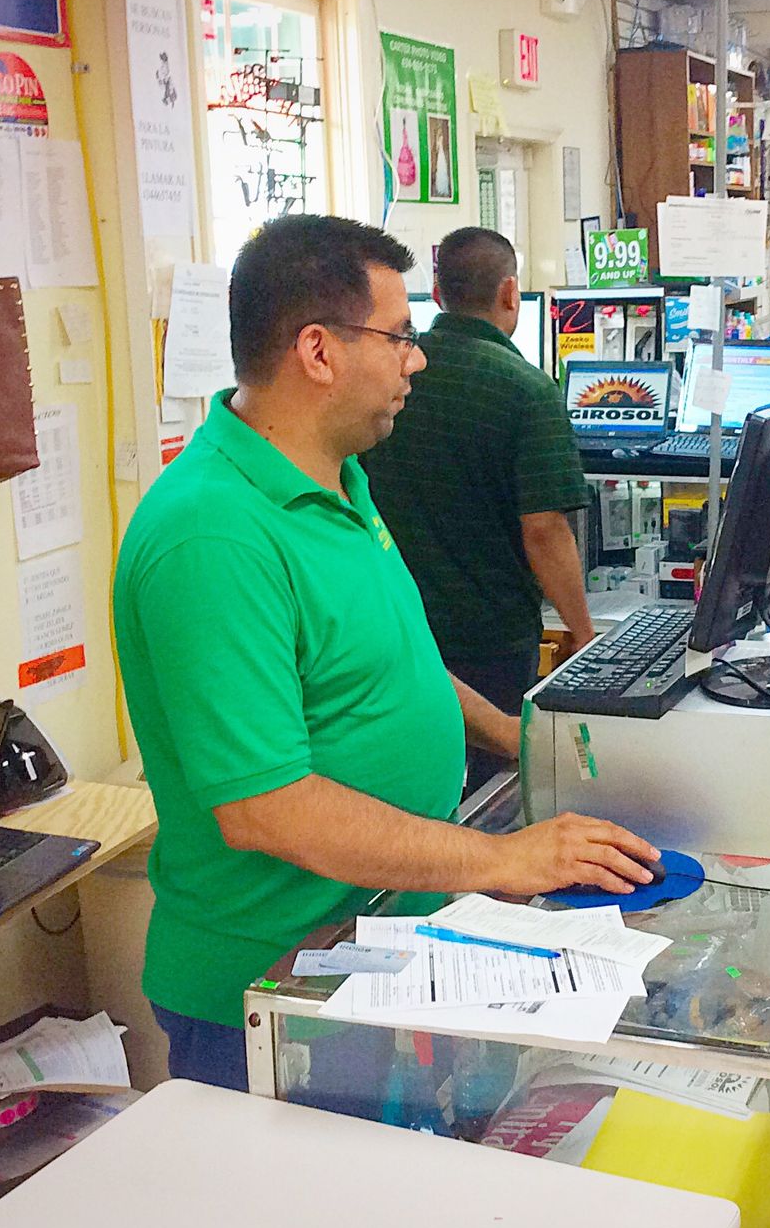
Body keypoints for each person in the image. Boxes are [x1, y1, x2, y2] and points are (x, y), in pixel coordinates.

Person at [112, 215, 657, 1091]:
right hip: (272, 993)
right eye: (399, 336)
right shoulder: (211, 534)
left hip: (379, 943)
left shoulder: (341, 478)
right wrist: (502, 859)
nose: (418, 358)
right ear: (318, 352)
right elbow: (267, 808)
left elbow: (396, 672)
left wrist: (529, 742)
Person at [365, 226, 596, 788]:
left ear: (438, 296)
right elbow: (544, 529)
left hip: (395, 633)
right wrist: (586, 636)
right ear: (511, 293)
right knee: (495, 788)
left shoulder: (382, 381)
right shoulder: (528, 390)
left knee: (418, 782)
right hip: (490, 638)